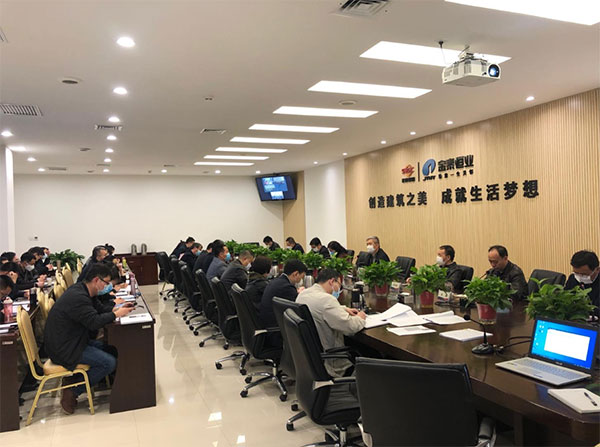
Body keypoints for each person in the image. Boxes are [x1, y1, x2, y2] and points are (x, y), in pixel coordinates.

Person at [44, 263, 134, 414]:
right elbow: (94, 322)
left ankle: (113, 384)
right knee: (109, 362)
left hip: (74, 340)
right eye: (106, 283)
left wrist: (117, 308)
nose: (108, 287)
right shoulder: (78, 297)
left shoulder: (84, 290)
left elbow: (99, 309)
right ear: (96, 280)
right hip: (65, 348)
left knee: (111, 348)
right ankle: (73, 390)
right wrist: (115, 315)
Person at [296, 268, 366, 377]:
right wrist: (361, 317)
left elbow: (320, 309)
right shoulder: (327, 300)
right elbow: (351, 326)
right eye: (339, 285)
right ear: (332, 281)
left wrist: (342, 308)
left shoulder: (303, 294)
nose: (339, 290)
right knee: (369, 351)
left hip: (310, 357)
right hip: (331, 361)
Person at [259, 259, 307, 329]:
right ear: (296, 274)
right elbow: (297, 309)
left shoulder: (277, 281)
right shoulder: (287, 287)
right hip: (276, 328)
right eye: (302, 277)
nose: (301, 280)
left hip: (267, 323)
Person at [565, 250, 599, 315]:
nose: (580, 277)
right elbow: (566, 299)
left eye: (584, 274)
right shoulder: (573, 278)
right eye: (576, 273)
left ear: (597, 270)